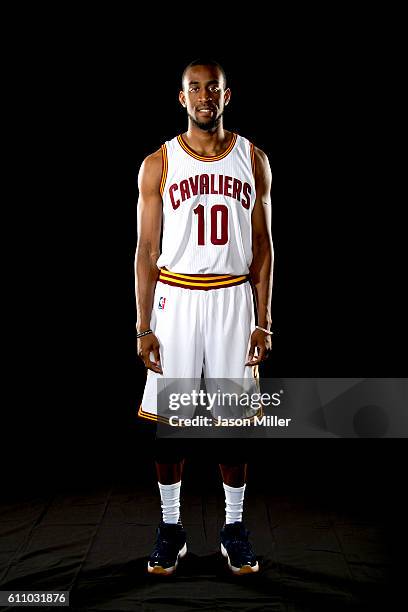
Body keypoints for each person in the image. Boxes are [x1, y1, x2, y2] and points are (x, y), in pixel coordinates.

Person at [135, 58, 273, 575]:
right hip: (177, 298)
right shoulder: (159, 163)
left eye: (211, 88)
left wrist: (265, 320)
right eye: (194, 88)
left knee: (232, 426)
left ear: (226, 95)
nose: (203, 97)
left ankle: (233, 528)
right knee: (173, 425)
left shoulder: (253, 159)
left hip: (234, 299)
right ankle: (171, 529)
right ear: (181, 98)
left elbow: (264, 248)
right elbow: (147, 248)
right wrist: (143, 325)